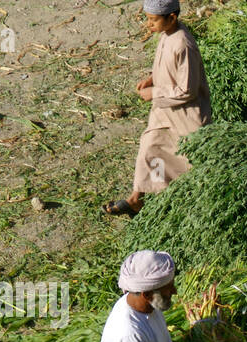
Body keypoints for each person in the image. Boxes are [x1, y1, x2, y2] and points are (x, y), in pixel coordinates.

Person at [104, 0, 211, 217]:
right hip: (166, 110)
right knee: (150, 146)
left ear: (171, 18)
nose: (148, 25)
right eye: (147, 19)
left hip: (185, 115)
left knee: (183, 159)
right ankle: (137, 198)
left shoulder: (183, 44)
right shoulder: (167, 35)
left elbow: (186, 90)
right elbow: (169, 68)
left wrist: (155, 92)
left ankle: (176, 200)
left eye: (153, 20)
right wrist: (153, 77)